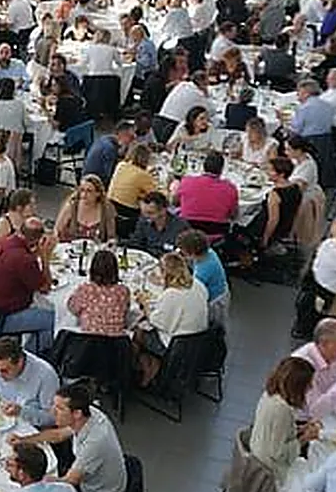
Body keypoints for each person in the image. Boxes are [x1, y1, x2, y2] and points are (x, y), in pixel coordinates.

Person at [16, 381, 128, 492]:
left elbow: (69, 481)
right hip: (93, 479)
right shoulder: (88, 414)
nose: (52, 412)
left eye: (59, 408)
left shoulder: (95, 442)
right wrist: (23, 441)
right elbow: (58, 436)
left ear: (76, 413)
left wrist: (33, 480)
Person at [0, 216, 57, 354]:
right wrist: (45, 257)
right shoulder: (24, 260)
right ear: (37, 240)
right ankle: (28, 356)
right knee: (54, 319)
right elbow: (45, 287)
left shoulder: (4, 242)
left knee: (38, 306)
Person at [135, 253, 210, 385]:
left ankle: (144, 368)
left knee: (138, 330)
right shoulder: (198, 285)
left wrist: (145, 304)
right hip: (197, 341)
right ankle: (152, 363)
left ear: (166, 273)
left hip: (175, 347)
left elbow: (156, 321)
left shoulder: (172, 294)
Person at [250, 356, 319, 483]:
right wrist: (305, 438)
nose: (311, 387)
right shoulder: (282, 410)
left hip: (257, 455)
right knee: (314, 475)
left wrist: (300, 429)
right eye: (308, 384)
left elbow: (276, 431)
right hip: (270, 472)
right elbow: (278, 454)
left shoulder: (269, 394)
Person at [0, 336, 61, 427]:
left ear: (20, 362)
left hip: (30, 428)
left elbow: (53, 418)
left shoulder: (46, 376)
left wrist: (22, 411)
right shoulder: (2, 366)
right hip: (3, 421)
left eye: (4, 371)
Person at [291, 318, 336, 420]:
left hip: (325, 412)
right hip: (299, 422)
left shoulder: (335, 356)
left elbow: (331, 386)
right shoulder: (302, 366)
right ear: (324, 343)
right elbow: (314, 411)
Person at [67, 249, 134, 338]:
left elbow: (72, 308)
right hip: (116, 345)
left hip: (87, 343)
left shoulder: (86, 289)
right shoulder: (123, 291)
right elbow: (125, 312)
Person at [173, 152, 239, 226]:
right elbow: (233, 215)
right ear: (221, 169)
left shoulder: (186, 182)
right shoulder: (230, 188)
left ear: (203, 167)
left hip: (187, 232)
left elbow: (175, 203)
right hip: (216, 234)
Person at [56, 174, 112, 243]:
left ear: (98, 193)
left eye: (89, 191)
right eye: (82, 190)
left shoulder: (106, 209)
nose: (84, 195)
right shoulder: (71, 206)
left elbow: (111, 237)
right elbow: (57, 231)